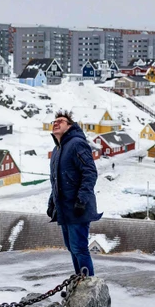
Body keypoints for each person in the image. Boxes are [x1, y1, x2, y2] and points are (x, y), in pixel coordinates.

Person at [47, 111, 100, 276]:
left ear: (70, 126)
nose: (56, 123)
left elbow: (90, 172)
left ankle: (88, 284)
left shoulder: (77, 143)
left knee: (79, 248)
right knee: (72, 247)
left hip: (78, 207)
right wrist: (52, 203)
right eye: (54, 121)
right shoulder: (57, 150)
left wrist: (81, 201)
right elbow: (56, 181)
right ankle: (80, 280)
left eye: (61, 121)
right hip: (64, 208)